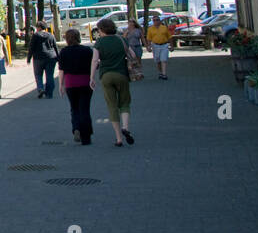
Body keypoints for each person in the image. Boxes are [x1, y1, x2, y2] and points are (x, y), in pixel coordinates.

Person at [91, 17, 135, 146]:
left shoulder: (99, 42)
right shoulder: (122, 39)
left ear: (102, 30)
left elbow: (94, 61)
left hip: (106, 75)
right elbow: (131, 54)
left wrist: (91, 77)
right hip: (122, 74)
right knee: (125, 103)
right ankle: (125, 127)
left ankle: (118, 138)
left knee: (112, 106)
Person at [57, 29, 95, 145]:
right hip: (85, 82)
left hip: (70, 83)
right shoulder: (87, 50)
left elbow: (61, 70)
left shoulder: (64, 52)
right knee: (85, 108)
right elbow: (93, 65)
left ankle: (76, 128)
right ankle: (86, 137)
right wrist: (92, 79)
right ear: (78, 37)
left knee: (74, 108)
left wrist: (61, 85)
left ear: (67, 39)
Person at [27, 21, 59, 98]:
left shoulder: (35, 35)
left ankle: (40, 88)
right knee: (50, 75)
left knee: (38, 75)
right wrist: (58, 58)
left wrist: (29, 58)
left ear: (39, 27)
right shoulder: (51, 35)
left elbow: (31, 47)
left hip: (38, 58)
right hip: (51, 57)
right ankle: (49, 93)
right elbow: (55, 47)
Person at [145, 15, 172, 80]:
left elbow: (169, 37)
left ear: (159, 21)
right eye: (154, 20)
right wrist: (148, 47)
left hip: (164, 45)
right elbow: (149, 39)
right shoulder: (150, 29)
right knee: (158, 61)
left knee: (163, 59)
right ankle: (160, 72)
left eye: (157, 20)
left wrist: (171, 46)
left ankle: (164, 74)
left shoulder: (164, 28)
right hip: (155, 46)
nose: (156, 21)